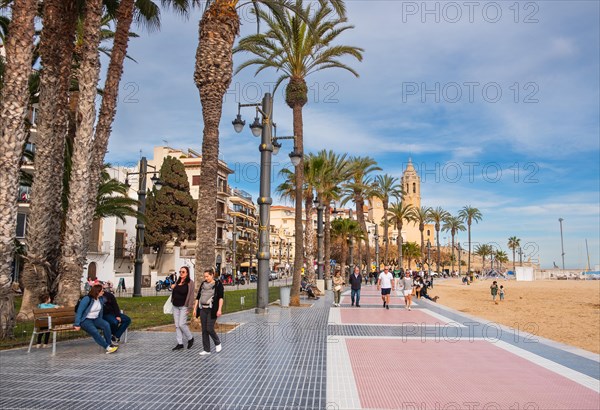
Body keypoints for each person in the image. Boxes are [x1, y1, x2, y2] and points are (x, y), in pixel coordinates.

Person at [74, 284, 118, 354]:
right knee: (95, 332)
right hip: (85, 320)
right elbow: (79, 311)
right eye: (102, 291)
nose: (103, 292)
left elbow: (109, 300)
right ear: (97, 292)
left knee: (106, 325)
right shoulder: (87, 299)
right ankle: (107, 347)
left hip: (95, 319)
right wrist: (77, 324)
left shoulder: (100, 299)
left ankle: (109, 343)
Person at [193, 268, 224, 356]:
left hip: (212, 309)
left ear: (212, 275)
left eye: (207, 276)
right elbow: (198, 297)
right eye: (204, 276)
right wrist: (195, 309)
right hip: (203, 309)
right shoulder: (203, 284)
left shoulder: (218, 284)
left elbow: (221, 298)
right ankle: (206, 350)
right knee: (204, 330)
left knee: (209, 328)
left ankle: (217, 343)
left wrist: (219, 309)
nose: (205, 278)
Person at [170, 266, 195, 351]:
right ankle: (180, 343)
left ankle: (190, 338)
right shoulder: (177, 282)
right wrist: (173, 287)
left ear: (187, 273)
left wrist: (190, 307)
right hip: (175, 306)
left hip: (184, 306)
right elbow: (174, 292)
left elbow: (191, 295)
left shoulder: (190, 283)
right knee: (177, 325)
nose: (181, 273)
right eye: (180, 271)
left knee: (181, 324)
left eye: (183, 272)